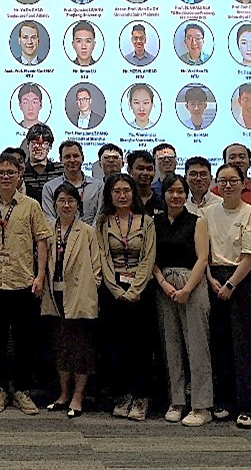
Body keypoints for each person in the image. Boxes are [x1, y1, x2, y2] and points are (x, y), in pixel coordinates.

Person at [0, 151, 51, 415]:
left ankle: (21, 389)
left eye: (11, 172)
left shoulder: (31, 205)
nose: (6, 177)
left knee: (25, 340)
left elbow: (42, 241)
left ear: (20, 175)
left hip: (24, 282)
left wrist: (40, 275)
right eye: (1, 173)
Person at [202, 163, 251, 428]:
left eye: (233, 180)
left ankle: (249, 406)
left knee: (245, 345)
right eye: (223, 180)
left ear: (243, 183)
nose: (228, 185)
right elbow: (202, 252)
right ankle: (225, 401)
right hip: (213, 279)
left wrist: (229, 285)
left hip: (241, 281)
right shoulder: (207, 212)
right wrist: (211, 279)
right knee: (220, 344)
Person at [152, 174, 215, 426]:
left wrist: (187, 289)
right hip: (164, 286)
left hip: (193, 284)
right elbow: (151, 259)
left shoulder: (196, 221)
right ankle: (177, 400)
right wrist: (164, 284)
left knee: (198, 345)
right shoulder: (153, 222)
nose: (175, 196)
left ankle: (202, 405)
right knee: (171, 345)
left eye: (180, 191)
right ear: (164, 194)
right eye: (171, 191)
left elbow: (203, 258)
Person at [96, 173, 158, 421]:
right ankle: (123, 394)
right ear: (110, 195)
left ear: (134, 193)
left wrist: (135, 290)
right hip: (113, 292)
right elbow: (102, 257)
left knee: (141, 346)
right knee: (116, 345)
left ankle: (141, 396)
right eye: (116, 191)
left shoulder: (147, 222)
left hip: (141, 292)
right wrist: (116, 290)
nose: (122, 195)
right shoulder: (102, 221)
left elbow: (148, 257)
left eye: (126, 190)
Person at [41, 182, 101, 418]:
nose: (66, 205)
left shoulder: (86, 231)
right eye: (61, 201)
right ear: (54, 204)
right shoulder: (46, 229)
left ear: (78, 204)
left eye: (71, 201)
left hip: (80, 294)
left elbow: (96, 266)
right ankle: (63, 394)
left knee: (81, 348)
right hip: (53, 294)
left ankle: (78, 396)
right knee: (61, 346)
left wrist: (91, 289)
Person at [41, 140, 103, 225]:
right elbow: (49, 219)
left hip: (91, 236)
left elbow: (100, 218)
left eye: (76, 156)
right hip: (60, 236)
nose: (72, 160)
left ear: (83, 158)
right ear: (60, 160)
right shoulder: (49, 188)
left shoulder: (98, 186)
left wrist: (87, 235)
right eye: (67, 157)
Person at [21, 123, 58, 200]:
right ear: (28, 144)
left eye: (45, 143)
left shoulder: (60, 170)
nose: (39, 148)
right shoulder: (20, 172)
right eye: (35, 143)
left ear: (50, 146)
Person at [127, 150, 163, 215]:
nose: (145, 173)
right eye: (140, 169)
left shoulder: (162, 201)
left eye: (149, 169)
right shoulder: (123, 200)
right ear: (130, 170)